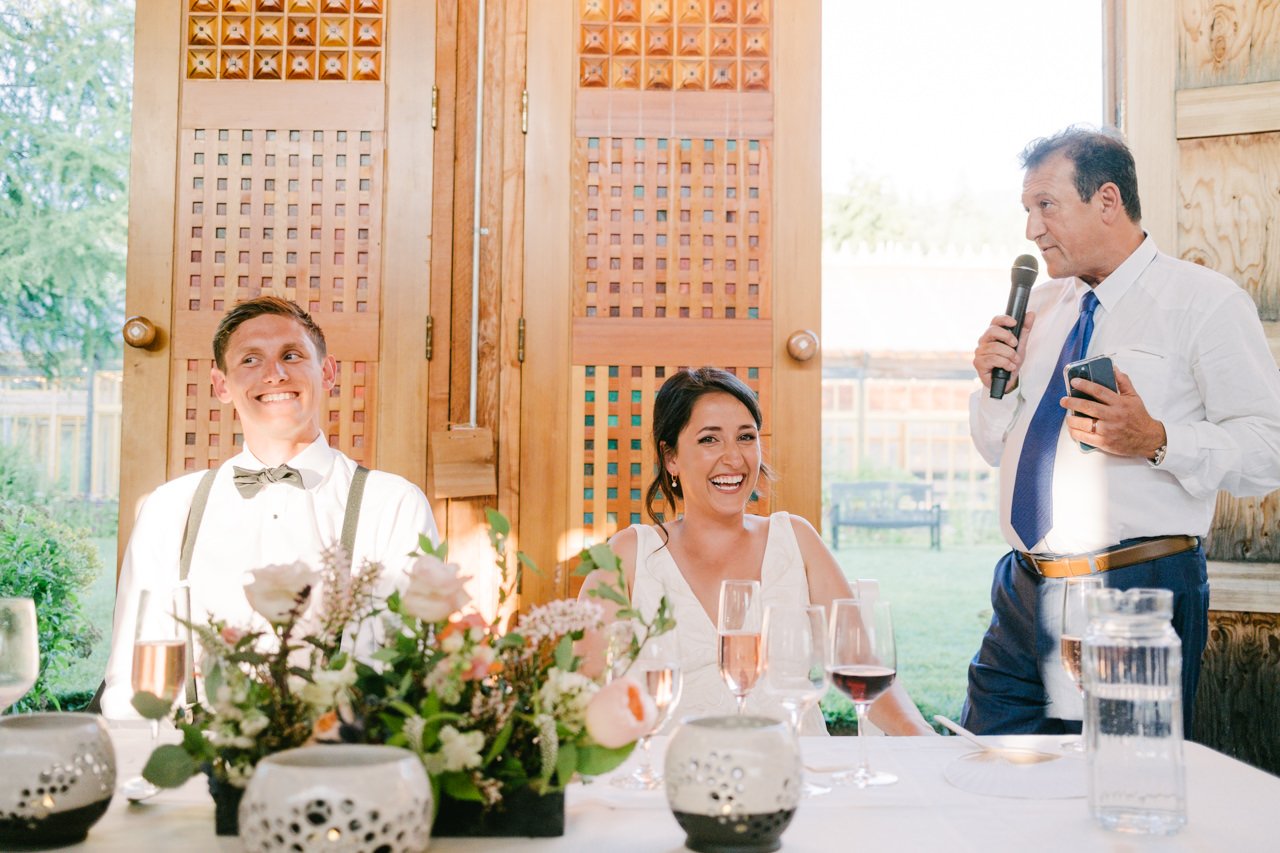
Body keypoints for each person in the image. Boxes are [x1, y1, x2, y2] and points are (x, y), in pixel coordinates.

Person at [966, 127, 1280, 735]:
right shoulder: (1042, 308)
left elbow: (1269, 448)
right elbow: (991, 446)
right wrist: (992, 387)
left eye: (1046, 206)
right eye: (1027, 211)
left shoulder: (1205, 303)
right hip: (1023, 589)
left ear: (1107, 200)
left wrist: (1158, 439)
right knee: (987, 772)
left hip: (1136, 590)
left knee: (1122, 794)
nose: (1031, 229)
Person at [101, 297, 439, 718]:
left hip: (339, 754)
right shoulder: (170, 508)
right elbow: (131, 681)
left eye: (292, 355)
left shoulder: (393, 505)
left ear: (327, 372)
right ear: (221, 385)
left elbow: (405, 666)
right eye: (250, 360)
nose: (274, 374)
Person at [580, 367, 933, 736]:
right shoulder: (628, 556)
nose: (734, 459)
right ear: (671, 458)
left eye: (746, 437)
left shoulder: (795, 538)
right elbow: (581, 693)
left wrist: (923, 738)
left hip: (800, 772)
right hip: (673, 780)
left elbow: (862, 664)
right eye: (709, 440)